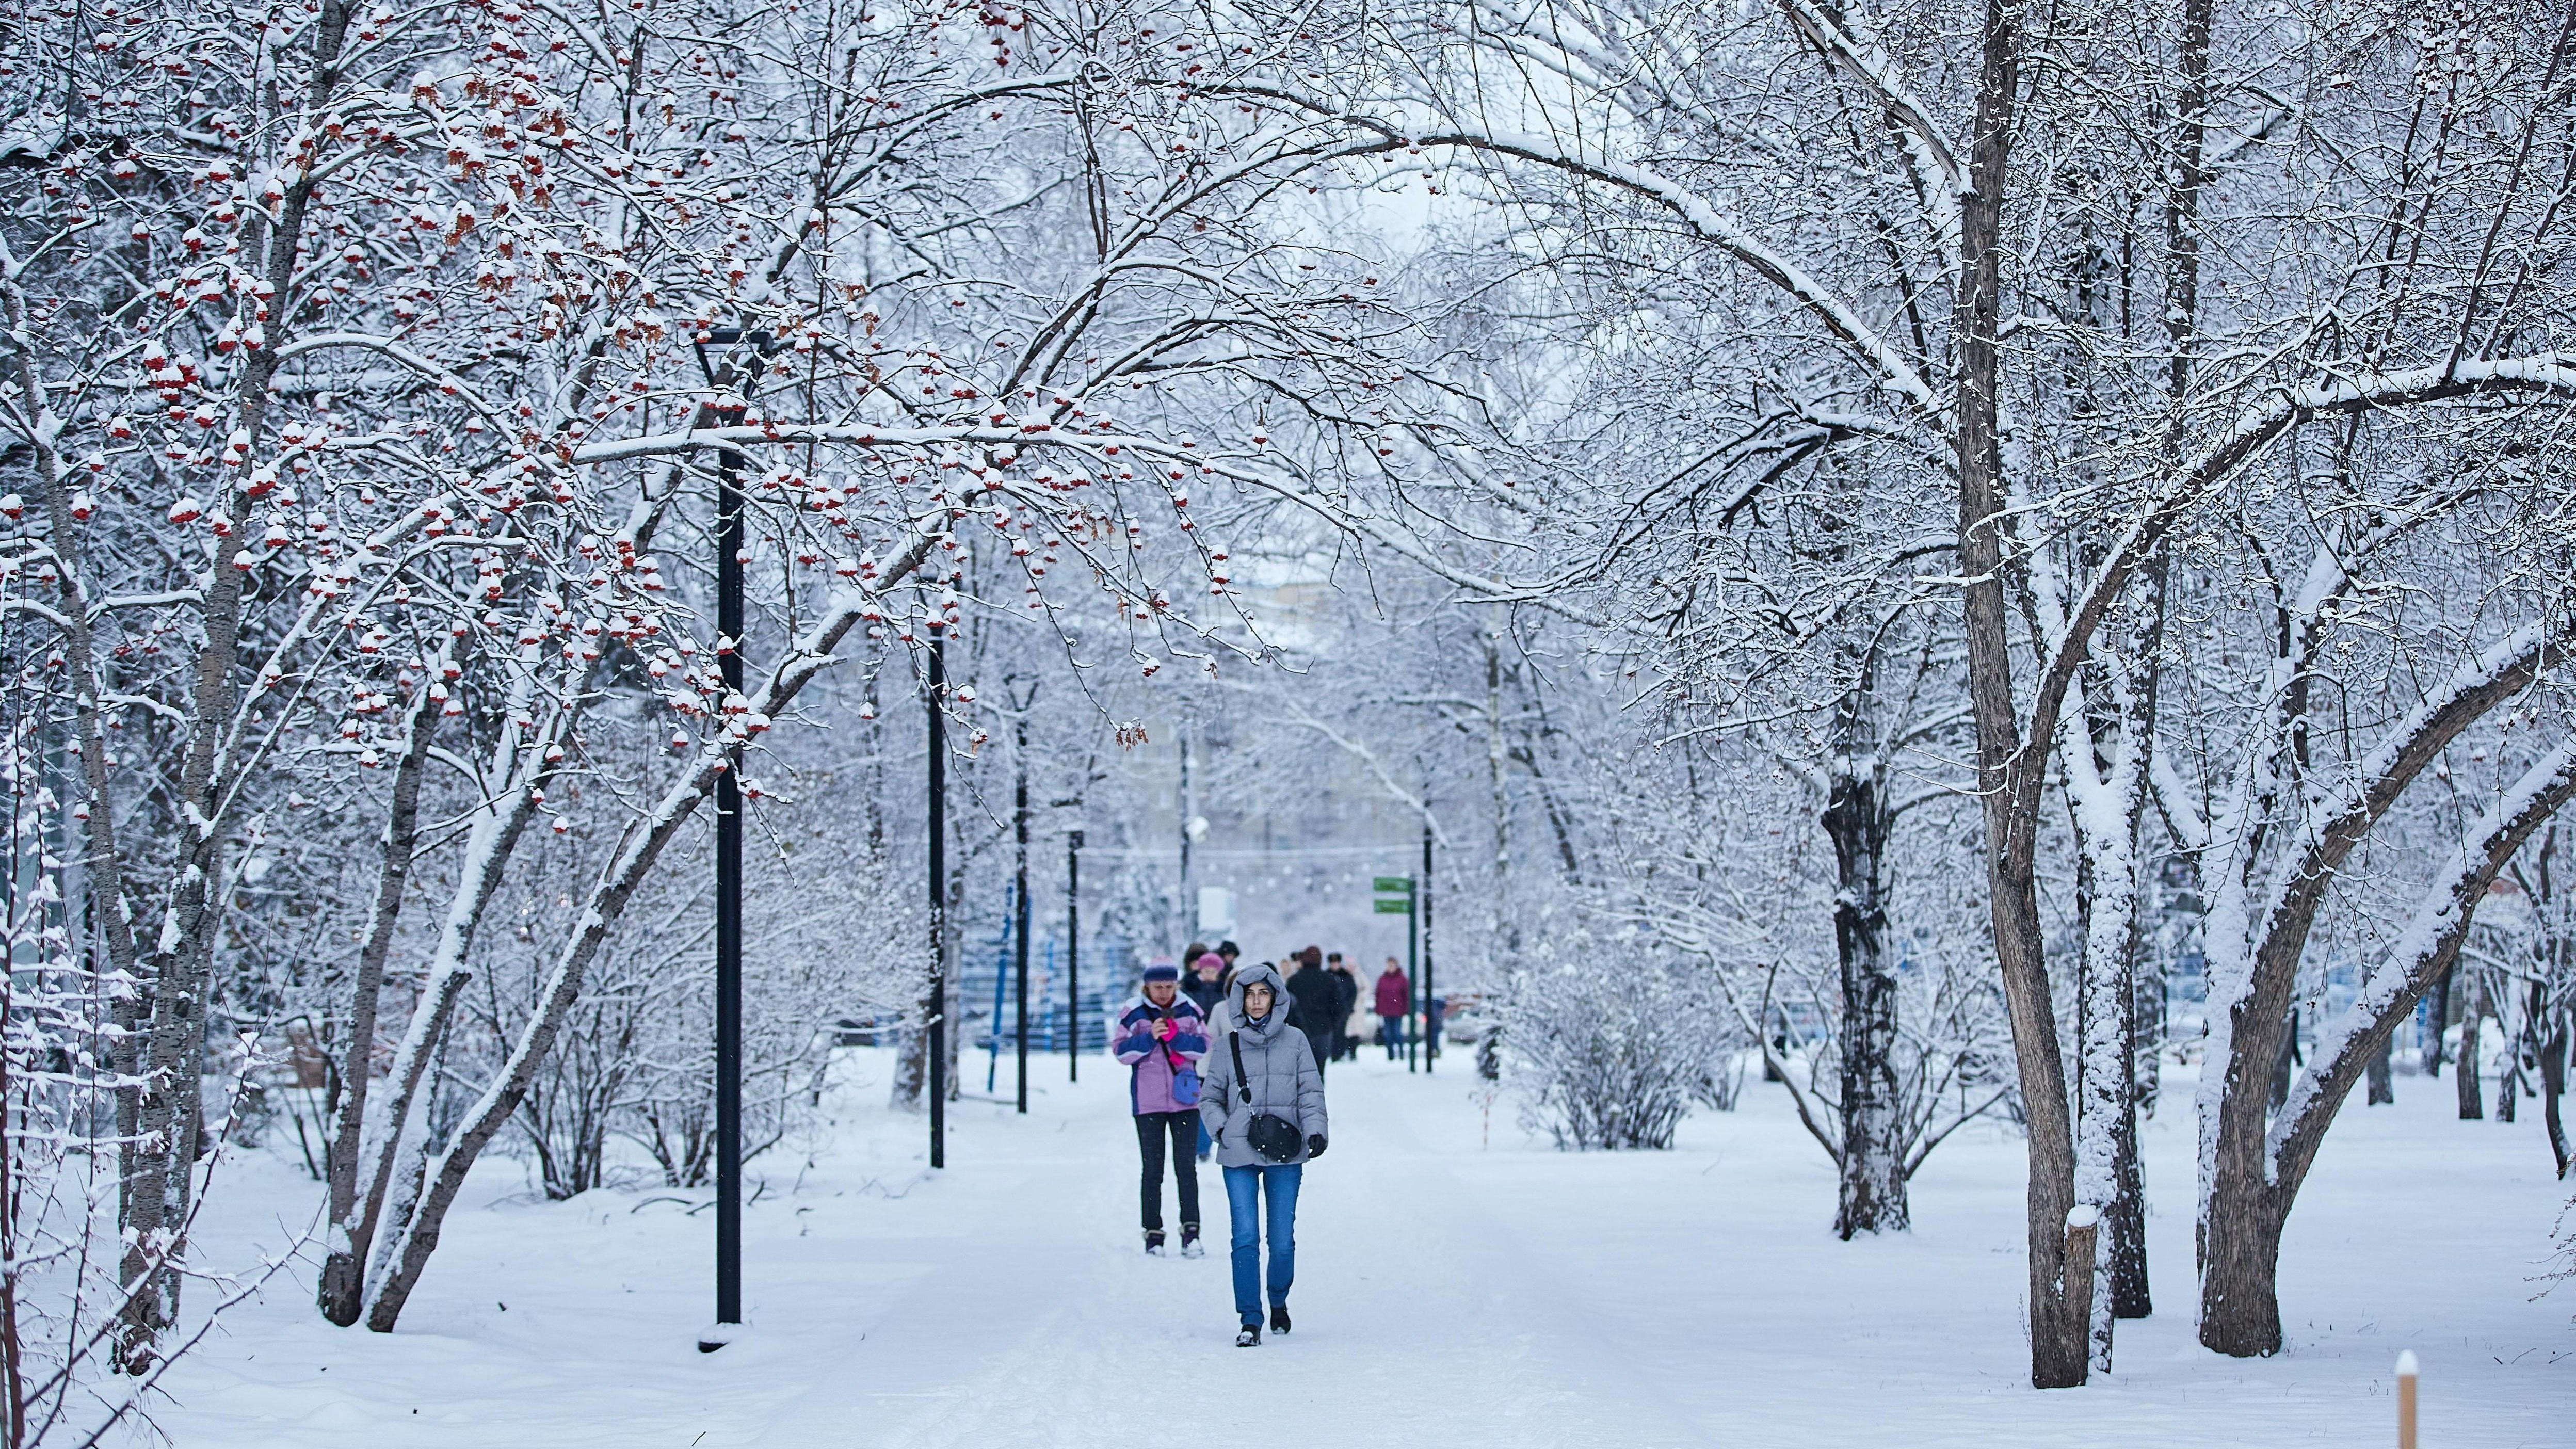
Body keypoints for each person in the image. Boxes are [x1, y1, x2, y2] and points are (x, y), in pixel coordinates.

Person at [1198, 961, 1327, 1346]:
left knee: (1282, 1239)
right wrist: (1222, 1129)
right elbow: (1209, 1098)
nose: (1256, 1001)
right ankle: (1250, 1319)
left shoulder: (1298, 1041)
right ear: (1239, 997)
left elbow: (1311, 1093)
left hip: (1287, 1151)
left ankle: (1278, 1300)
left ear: (1275, 996)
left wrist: (1317, 1131)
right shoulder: (1227, 1045)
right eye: (1250, 993)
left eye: (1263, 993)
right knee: (1245, 1237)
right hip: (1239, 1151)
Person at [1113, 960, 1210, 1255]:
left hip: (1185, 1100)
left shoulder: (1189, 1010)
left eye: (1169, 987)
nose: (1164, 993)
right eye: (1158, 988)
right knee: (1152, 1170)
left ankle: (1191, 1232)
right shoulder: (1134, 1013)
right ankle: (1153, 1234)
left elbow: (1203, 1046)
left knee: (1186, 1168)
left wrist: (1175, 1037)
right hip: (1148, 1102)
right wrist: (1148, 1037)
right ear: (1147, 987)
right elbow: (1121, 1051)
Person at [1182, 951, 1228, 1161]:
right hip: (1195, 1048)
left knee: (1213, 1098)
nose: (1210, 975)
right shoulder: (1189, 991)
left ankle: (1206, 1142)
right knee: (1196, 1099)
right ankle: (1198, 1144)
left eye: (1213, 972)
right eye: (1206, 971)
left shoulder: (1224, 993)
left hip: (1217, 1048)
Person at [1283, 946, 1339, 1082]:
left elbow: (1286, 1006)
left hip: (1299, 1031)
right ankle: (1318, 1097)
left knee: (1301, 1070)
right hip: (1323, 1029)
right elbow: (1339, 1006)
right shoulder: (1329, 979)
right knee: (1319, 1070)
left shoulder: (1294, 981)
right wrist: (1331, 1023)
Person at [1326, 953, 1361, 1061]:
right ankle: (1332, 1053)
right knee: (1331, 1033)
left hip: (1343, 1010)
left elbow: (1352, 992)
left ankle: (1340, 1053)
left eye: (1336, 962)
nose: (1335, 965)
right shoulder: (1327, 975)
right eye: (1333, 963)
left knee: (1340, 1033)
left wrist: (1348, 1007)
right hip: (1330, 1010)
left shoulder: (1346, 976)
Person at [1375, 956, 1410, 1061]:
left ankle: (1401, 1053)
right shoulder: (1382, 979)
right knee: (1388, 1034)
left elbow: (1406, 995)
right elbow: (1378, 995)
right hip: (1386, 1011)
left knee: (1397, 1033)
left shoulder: (1402, 980)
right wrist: (1378, 1008)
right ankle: (1390, 1055)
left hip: (1398, 1011)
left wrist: (1405, 1009)